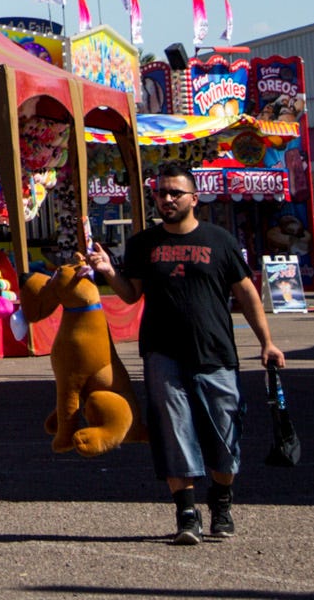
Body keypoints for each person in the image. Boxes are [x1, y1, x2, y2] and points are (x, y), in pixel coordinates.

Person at [93, 163, 285, 546]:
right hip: (163, 353)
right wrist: (108, 271)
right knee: (173, 431)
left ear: (194, 198)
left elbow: (246, 293)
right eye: (161, 192)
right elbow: (132, 295)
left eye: (174, 193)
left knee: (224, 433)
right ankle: (186, 513)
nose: (166, 199)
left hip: (215, 352)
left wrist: (267, 342)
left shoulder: (219, 240)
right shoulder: (143, 243)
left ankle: (222, 501)